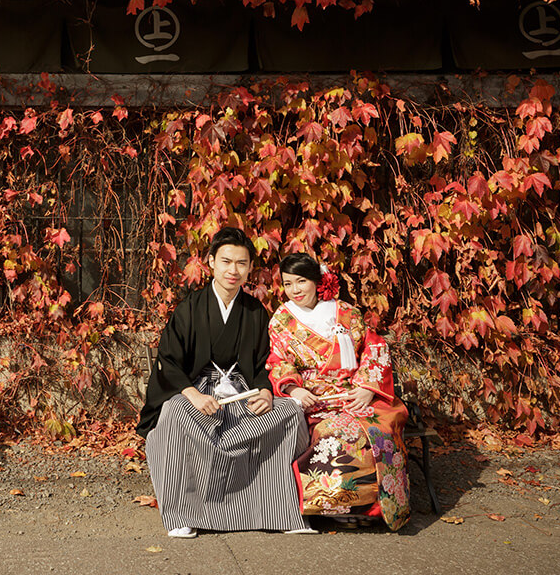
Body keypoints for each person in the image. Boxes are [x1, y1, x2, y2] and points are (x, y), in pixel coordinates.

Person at [138, 227, 313, 538]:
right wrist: (192, 394)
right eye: (226, 261)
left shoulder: (255, 311)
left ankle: (278, 511)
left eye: (242, 263)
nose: (233, 270)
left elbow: (262, 363)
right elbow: (169, 359)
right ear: (211, 262)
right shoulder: (190, 307)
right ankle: (183, 513)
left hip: (240, 392)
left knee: (289, 413)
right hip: (197, 392)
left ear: (249, 268)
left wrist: (265, 392)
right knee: (173, 414)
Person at [267, 252, 411, 530]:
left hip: (353, 393)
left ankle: (374, 507)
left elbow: (374, 348)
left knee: (375, 430)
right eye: (287, 284)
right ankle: (332, 506)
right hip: (314, 399)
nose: (295, 290)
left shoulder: (346, 312)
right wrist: (294, 389)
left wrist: (368, 388)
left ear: (318, 281)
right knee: (332, 433)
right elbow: (278, 360)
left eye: (301, 281)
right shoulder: (281, 320)